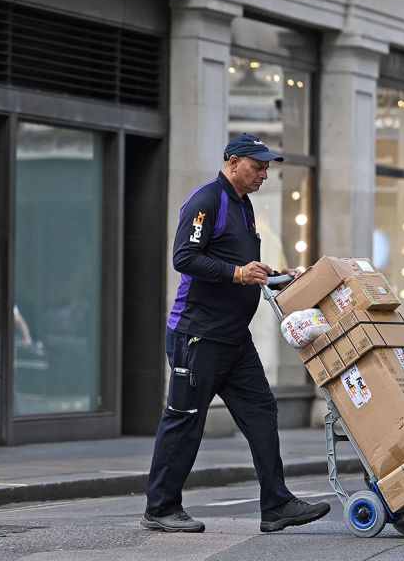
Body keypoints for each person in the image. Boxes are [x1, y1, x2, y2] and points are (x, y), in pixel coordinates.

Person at [143, 133, 331, 534]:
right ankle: (161, 508)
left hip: (233, 338)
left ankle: (276, 505)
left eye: (266, 167)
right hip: (197, 335)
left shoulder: (243, 206)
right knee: (185, 419)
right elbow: (185, 258)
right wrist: (238, 273)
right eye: (258, 166)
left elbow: (241, 265)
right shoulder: (207, 200)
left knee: (262, 411)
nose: (264, 174)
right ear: (232, 162)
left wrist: (279, 275)